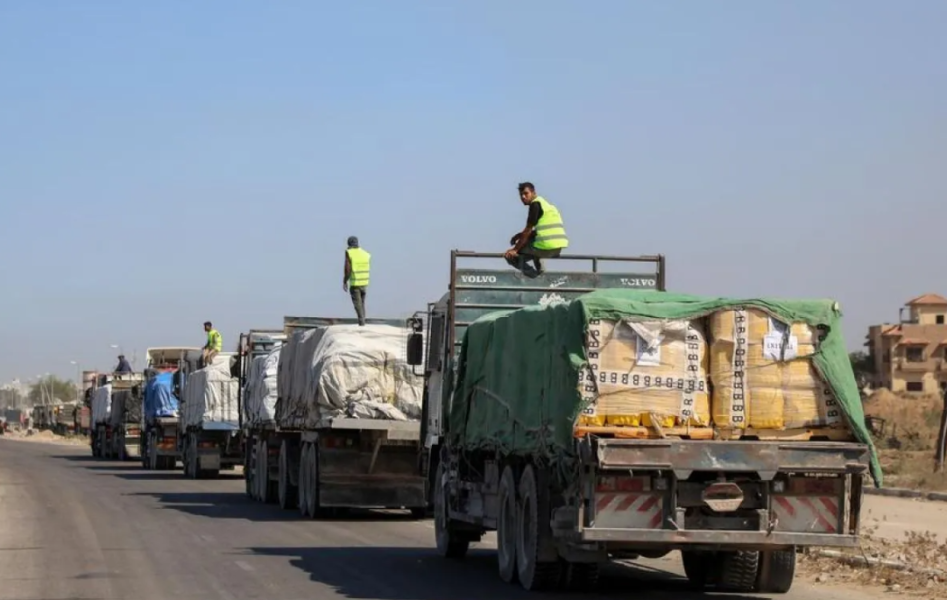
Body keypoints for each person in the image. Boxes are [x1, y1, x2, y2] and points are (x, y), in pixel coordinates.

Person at [504, 182, 569, 277]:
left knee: (510, 256)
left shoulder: (535, 205)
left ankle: (535, 277)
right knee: (530, 240)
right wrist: (519, 235)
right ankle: (541, 271)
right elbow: (541, 231)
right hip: (558, 248)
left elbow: (528, 230)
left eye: (526, 194)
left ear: (533, 193)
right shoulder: (548, 206)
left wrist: (514, 250)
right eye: (521, 195)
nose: (523, 197)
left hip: (546, 247)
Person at [343, 236, 370, 326]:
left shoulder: (349, 252)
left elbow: (348, 269)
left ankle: (362, 323)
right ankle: (363, 322)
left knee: (358, 306)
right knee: (362, 305)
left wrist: (344, 281)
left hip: (355, 283)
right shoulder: (365, 253)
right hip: (364, 283)